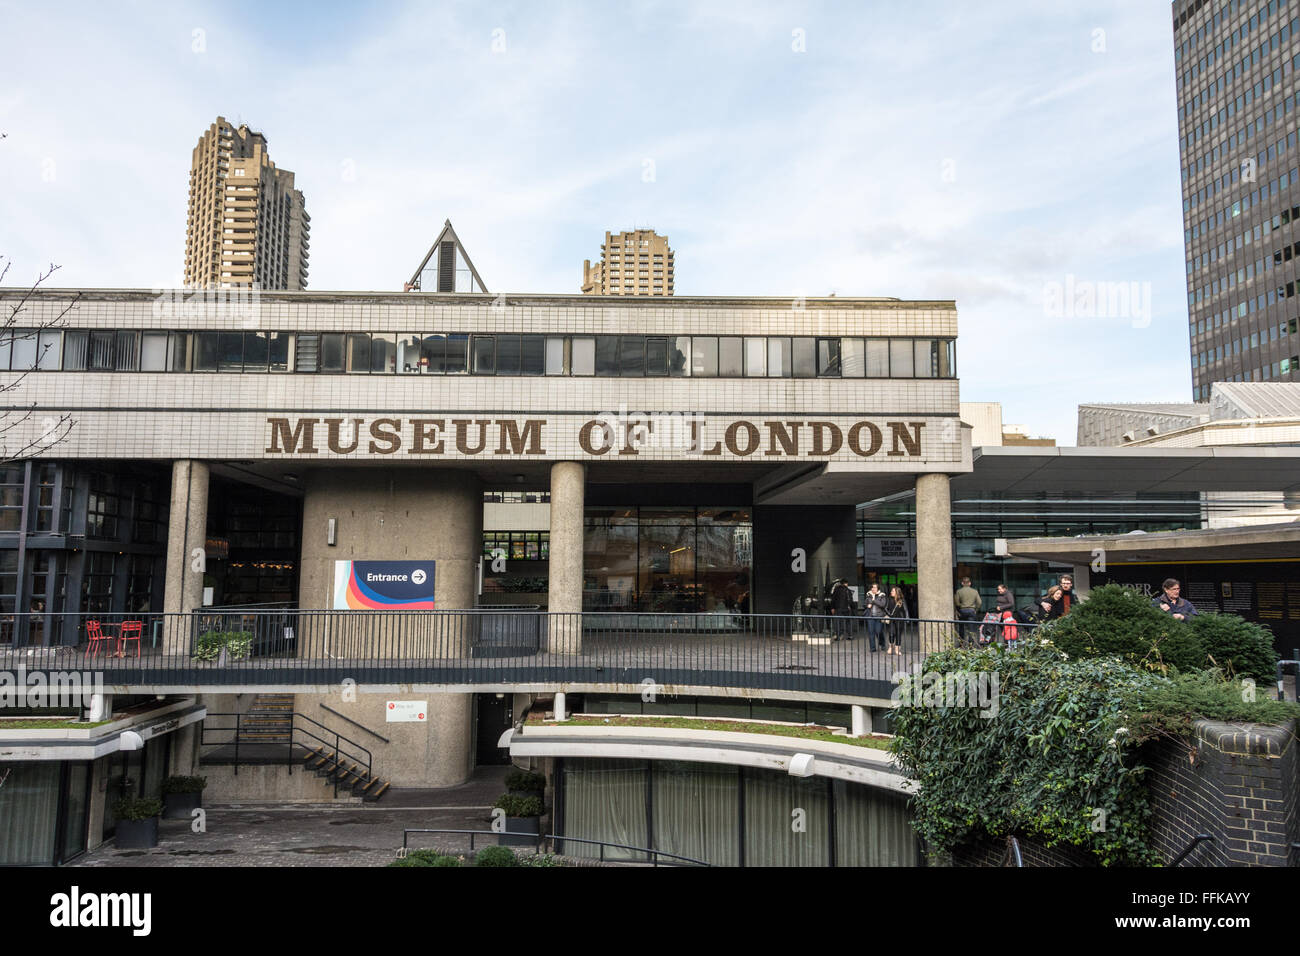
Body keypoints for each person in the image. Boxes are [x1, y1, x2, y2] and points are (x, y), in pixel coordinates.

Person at [954, 577, 982, 646]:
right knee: (971, 628)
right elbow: (979, 602)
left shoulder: (959, 591)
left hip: (962, 610)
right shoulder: (974, 591)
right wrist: (976, 610)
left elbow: (957, 603)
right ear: (970, 583)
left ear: (962, 583)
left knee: (961, 627)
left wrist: (960, 607)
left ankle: (961, 642)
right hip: (971, 610)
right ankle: (971, 644)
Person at [860, 583, 887, 649]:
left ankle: (882, 643)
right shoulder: (868, 595)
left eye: (874, 587)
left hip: (879, 616)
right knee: (871, 632)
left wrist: (873, 600)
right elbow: (864, 604)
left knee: (878, 631)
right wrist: (867, 606)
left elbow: (882, 605)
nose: (873, 588)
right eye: (872, 587)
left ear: (878, 588)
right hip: (870, 616)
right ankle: (872, 648)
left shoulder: (882, 596)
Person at [884, 586, 909, 655]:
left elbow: (906, 610)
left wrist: (907, 618)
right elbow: (885, 608)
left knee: (898, 634)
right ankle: (890, 647)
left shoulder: (902, 600)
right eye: (891, 591)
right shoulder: (889, 599)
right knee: (891, 634)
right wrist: (890, 615)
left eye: (893, 591)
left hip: (899, 619)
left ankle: (897, 649)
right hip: (892, 620)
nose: (891, 592)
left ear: (897, 592)